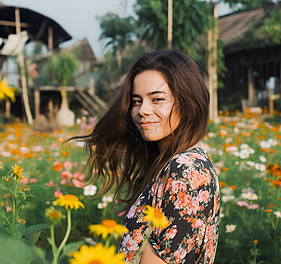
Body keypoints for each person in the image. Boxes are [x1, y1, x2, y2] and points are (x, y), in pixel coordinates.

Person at [74, 50, 220, 263]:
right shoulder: (178, 162)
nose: (143, 110)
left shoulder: (184, 169)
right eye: (136, 101)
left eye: (157, 99)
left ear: (187, 102)